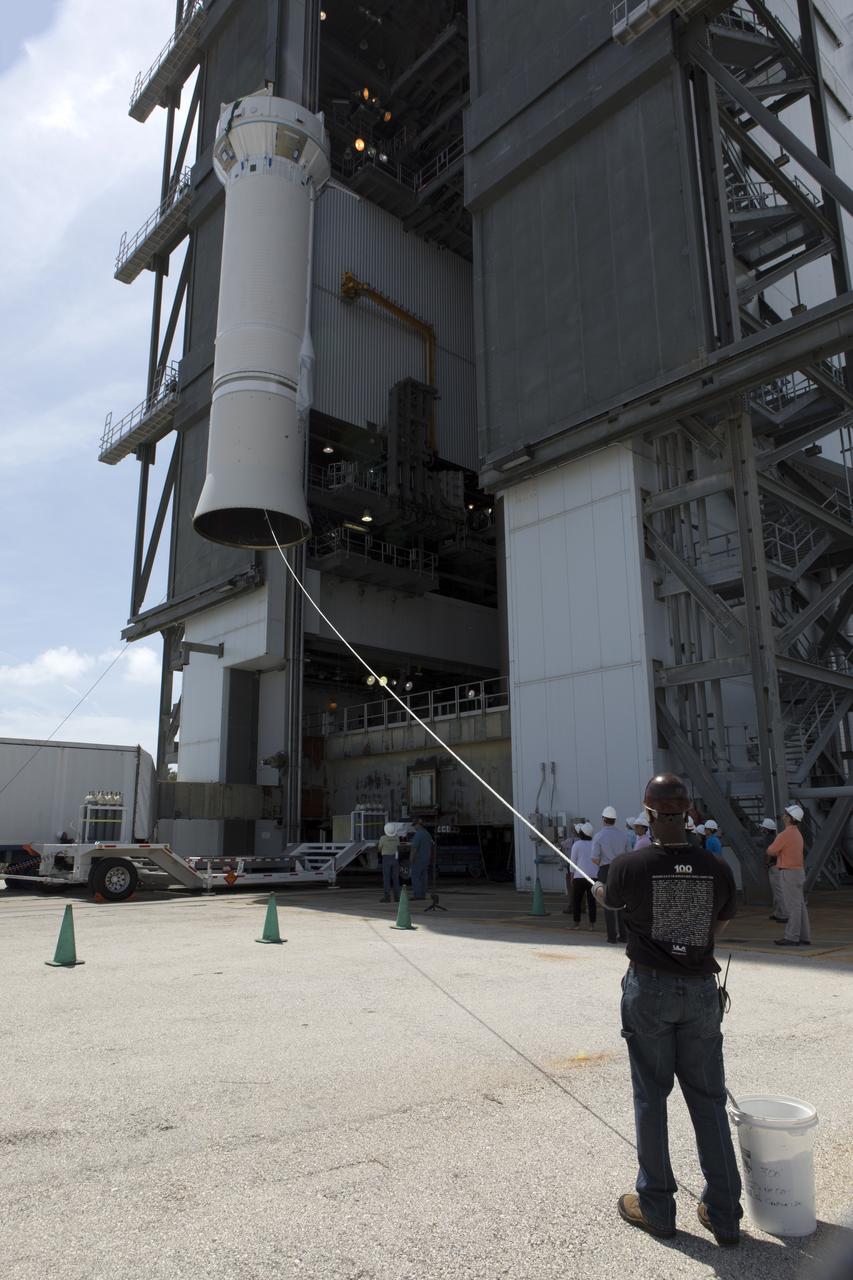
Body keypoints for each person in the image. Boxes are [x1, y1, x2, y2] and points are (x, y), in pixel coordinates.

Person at [592, 773, 742, 1247]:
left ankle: (657, 1207)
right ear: (689, 813)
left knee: (650, 1097)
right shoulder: (716, 868)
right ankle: (724, 1214)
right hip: (700, 990)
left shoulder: (630, 866)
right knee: (708, 1100)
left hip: (650, 991)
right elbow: (720, 918)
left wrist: (598, 890)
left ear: (651, 815)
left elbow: (609, 901)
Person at [768, 804, 810, 946]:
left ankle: (792, 937)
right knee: (800, 906)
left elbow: (771, 851)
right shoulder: (797, 834)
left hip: (788, 873)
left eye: (786, 814)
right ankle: (804, 936)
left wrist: (778, 850)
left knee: (793, 907)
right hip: (798, 872)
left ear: (790, 818)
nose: (783, 816)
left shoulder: (784, 834)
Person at [591, 806, 629, 944]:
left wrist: (602, 862)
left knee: (607, 902)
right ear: (615, 820)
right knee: (621, 902)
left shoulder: (599, 836)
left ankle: (612, 936)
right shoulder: (623, 835)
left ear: (603, 819)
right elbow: (628, 854)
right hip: (621, 869)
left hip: (606, 870)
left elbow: (594, 858)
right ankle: (624, 935)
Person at [569, 822, 597, 930]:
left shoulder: (577, 845)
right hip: (593, 877)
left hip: (579, 877)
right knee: (591, 902)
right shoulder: (595, 843)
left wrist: (571, 876)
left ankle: (576, 924)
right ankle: (592, 925)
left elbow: (573, 862)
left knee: (577, 901)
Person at [760, 817, 788, 923]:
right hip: (778, 866)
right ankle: (778, 913)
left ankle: (784, 914)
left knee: (778, 891)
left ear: (767, 829)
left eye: (763, 828)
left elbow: (769, 853)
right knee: (777, 891)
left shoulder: (768, 839)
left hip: (774, 867)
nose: (762, 830)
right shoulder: (775, 837)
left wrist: (766, 863)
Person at [409, 818, 433, 900]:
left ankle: (418, 895)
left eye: (415, 825)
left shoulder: (418, 834)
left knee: (416, 877)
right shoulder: (427, 834)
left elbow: (414, 848)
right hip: (426, 859)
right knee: (423, 877)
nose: (414, 827)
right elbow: (432, 845)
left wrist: (411, 859)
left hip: (418, 860)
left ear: (418, 825)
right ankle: (423, 894)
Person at [377, 822, 400, 903]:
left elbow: (379, 849)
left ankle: (387, 897)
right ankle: (397, 897)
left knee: (386, 879)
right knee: (396, 879)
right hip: (395, 859)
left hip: (386, 858)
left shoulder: (382, 838)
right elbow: (398, 846)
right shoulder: (397, 838)